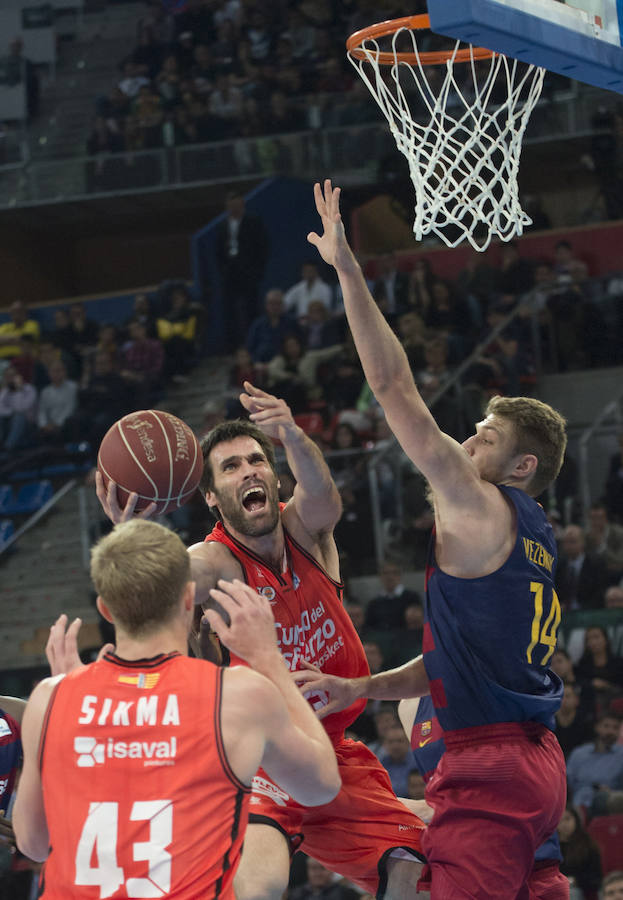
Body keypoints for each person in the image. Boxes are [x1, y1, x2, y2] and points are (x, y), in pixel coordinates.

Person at [297, 179, 568, 899]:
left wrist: (346, 269)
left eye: (486, 435)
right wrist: (361, 687)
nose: (468, 438)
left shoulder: (479, 503)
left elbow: (391, 387)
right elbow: (445, 660)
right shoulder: (533, 536)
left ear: (522, 466)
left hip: (490, 771)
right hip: (535, 768)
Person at [95, 384, 427, 900]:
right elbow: (176, 573)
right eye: (229, 468)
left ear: (274, 477)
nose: (247, 470)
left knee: (411, 865)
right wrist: (131, 536)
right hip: (262, 759)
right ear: (210, 497)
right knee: (260, 888)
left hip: (333, 754)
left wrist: (293, 434)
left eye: (256, 460)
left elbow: (323, 495)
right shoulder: (219, 562)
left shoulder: (307, 530)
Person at [12, 519, 341, 898]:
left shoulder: (49, 698)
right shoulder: (237, 695)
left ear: (105, 609)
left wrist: (63, 704)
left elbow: (34, 843)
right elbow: (321, 787)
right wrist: (268, 659)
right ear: (189, 598)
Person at [397, 695, 570, 900]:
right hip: (463, 870)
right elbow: (440, 792)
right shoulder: (410, 705)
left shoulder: (501, 679)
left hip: (531, 870)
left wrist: (397, 807)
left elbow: (517, 786)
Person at [566, 713, 623, 813]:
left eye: (615, 728)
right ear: (597, 727)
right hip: (579, 804)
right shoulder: (579, 753)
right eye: (606, 726)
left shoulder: (621, 755)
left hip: (610, 805)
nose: (611, 731)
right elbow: (566, 782)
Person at [557, 805, 602, 900]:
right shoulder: (551, 847)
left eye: (567, 819)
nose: (564, 824)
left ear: (576, 819)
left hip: (581, 890)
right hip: (556, 888)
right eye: (559, 821)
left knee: (572, 893)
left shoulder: (587, 844)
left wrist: (574, 881)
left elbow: (595, 878)